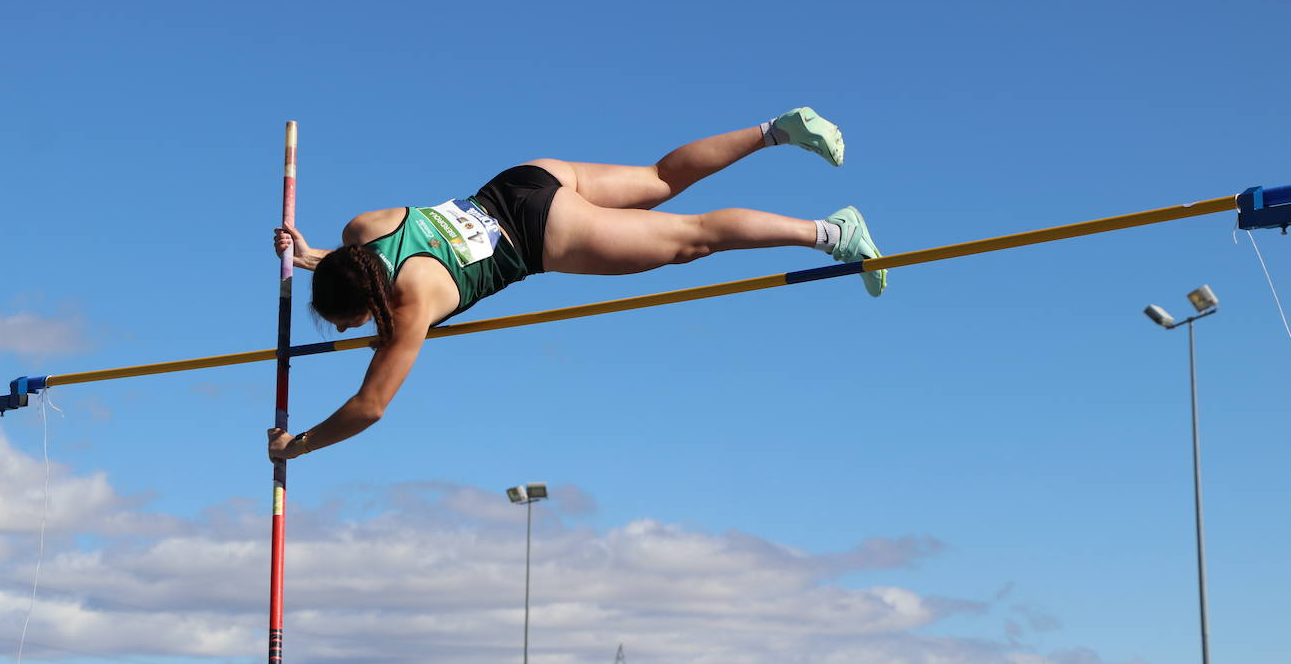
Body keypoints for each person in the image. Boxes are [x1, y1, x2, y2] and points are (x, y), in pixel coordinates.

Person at [266, 107, 885, 460]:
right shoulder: (361, 229)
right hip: (517, 182)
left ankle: (831, 234)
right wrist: (312, 254)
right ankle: (775, 129)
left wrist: (299, 445)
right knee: (660, 177)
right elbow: (356, 257)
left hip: (541, 235)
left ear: (371, 300)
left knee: (690, 238)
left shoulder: (411, 306)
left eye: (353, 320)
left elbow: (370, 407)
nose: (358, 330)